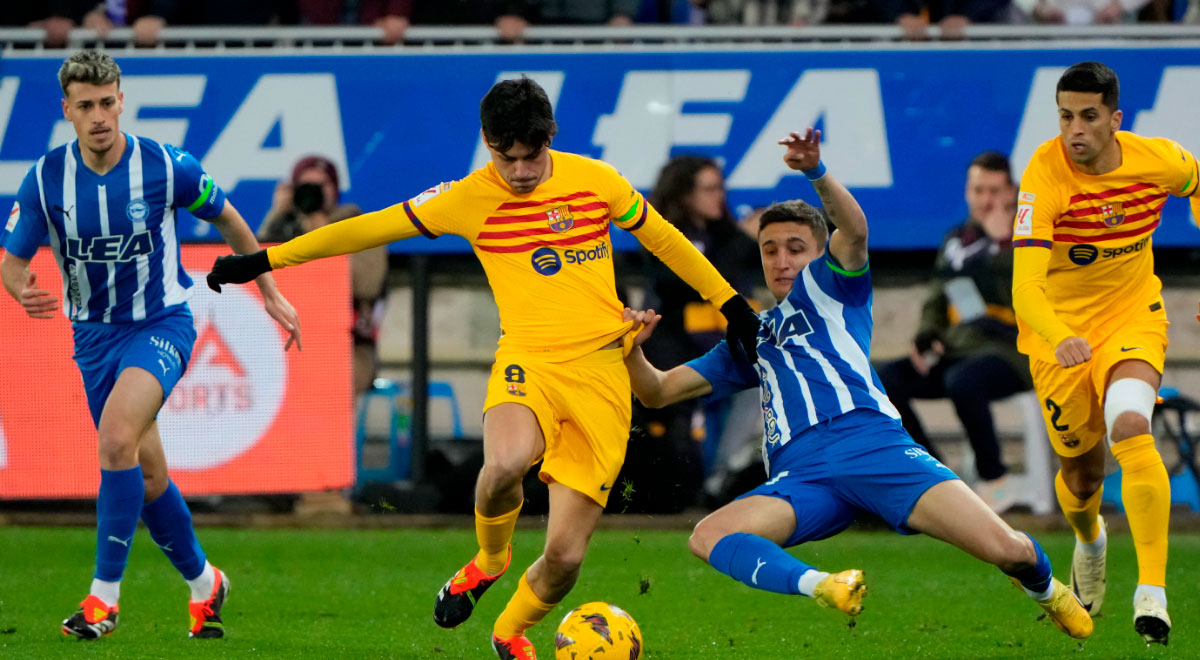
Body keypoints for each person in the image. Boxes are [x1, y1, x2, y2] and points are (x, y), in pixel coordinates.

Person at [205, 77, 759, 660]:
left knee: (566, 559)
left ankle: (510, 631)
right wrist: (263, 259)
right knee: (503, 467)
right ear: (488, 143)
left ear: (551, 138)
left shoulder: (598, 182)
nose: (519, 170)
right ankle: (490, 560)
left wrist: (733, 305)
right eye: (505, 156)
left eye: (530, 156)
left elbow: (668, 242)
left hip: (601, 373)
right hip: (527, 361)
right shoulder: (466, 197)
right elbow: (363, 228)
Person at [621, 127, 1093, 642]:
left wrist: (815, 172)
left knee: (1010, 550)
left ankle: (1047, 589)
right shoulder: (747, 336)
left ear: (821, 252)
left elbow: (856, 229)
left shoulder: (834, 287)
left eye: (795, 248)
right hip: (801, 475)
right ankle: (824, 585)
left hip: (872, 445)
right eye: (770, 249)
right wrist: (633, 351)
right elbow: (657, 392)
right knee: (708, 535)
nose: (781, 260)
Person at [0, 51, 301, 640]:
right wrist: (19, 290)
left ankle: (101, 602)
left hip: (161, 324)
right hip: (91, 339)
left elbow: (233, 222)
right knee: (149, 477)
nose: (99, 116)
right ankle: (204, 584)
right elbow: (11, 262)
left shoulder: (166, 165)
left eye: (107, 102)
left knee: (115, 441)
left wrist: (268, 290)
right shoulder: (45, 178)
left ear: (121, 100)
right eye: (85, 106)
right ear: (67, 111)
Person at [1011, 61, 1200, 645]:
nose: (1075, 130)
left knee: (1131, 424)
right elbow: (1024, 286)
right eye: (1066, 116)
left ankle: (1152, 593)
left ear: (1115, 119)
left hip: (1132, 316)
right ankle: (1090, 538)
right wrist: (1058, 333)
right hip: (1059, 335)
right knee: (1082, 471)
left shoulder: (1159, 160)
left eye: (1089, 117)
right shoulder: (1043, 174)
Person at [877, 151, 1029, 512]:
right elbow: (937, 295)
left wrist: (999, 247)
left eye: (995, 191)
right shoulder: (958, 239)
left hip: (1013, 350)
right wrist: (927, 335)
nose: (987, 200)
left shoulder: (1028, 234)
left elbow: (1023, 294)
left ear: (1011, 192)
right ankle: (935, 476)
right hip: (961, 346)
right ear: (967, 192)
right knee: (886, 380)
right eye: (979, 190)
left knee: (964, 382)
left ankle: (995, 479)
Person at [258, 155, 386, 396]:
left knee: (326, 386)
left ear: (335, 189)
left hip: (347, 347)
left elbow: (368, 284)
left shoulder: (360, 227)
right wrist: (274, 216)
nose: (313, 193)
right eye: (305, 186)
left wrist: (323, 235)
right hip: (281, 344)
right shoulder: (283, 228)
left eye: (321, 185)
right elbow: (254, 275)